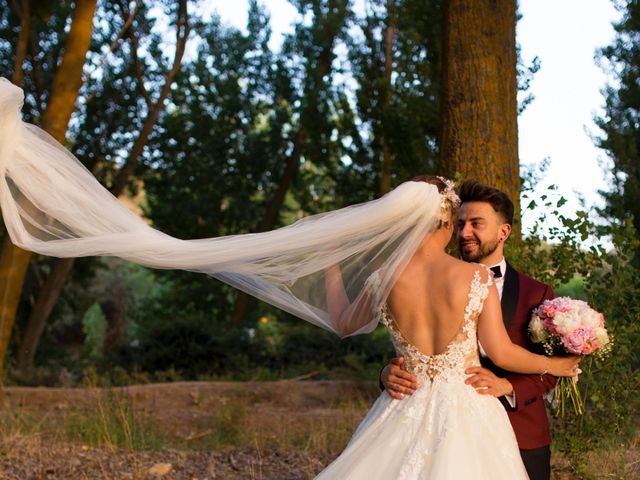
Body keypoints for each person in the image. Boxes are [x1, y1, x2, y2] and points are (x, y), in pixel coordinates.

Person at [381, 180, 558, 480]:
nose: (464, 233)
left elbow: (550, 372)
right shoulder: (423, 280)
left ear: (503, 232)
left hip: (521, 432)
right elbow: (413, 345)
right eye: (460, 223)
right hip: (428, 431)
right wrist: (386, 373)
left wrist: (510, 387)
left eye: (476, 224)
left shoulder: (537, 294)